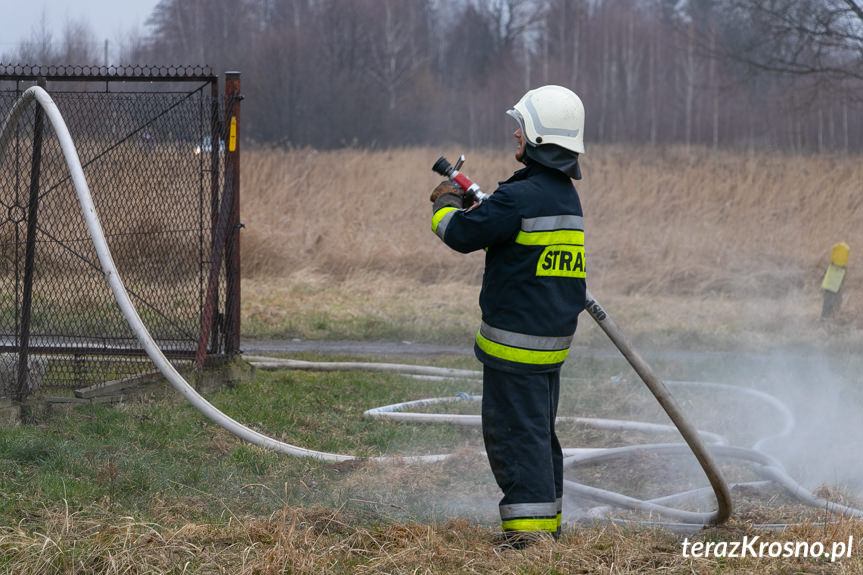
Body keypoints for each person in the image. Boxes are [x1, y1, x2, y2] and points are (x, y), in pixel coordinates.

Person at [429, 85, 587, 549]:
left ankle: (530, 542)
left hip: (513, 347)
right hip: (549, 345)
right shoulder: (562, 196)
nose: (514, 134)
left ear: (537, 137)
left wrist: (443, 203)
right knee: (538, 436)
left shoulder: (517, 198)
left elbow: (460, 235)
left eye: (520, 127)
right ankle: (547, 524)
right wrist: (491, 211)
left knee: (515, 440)